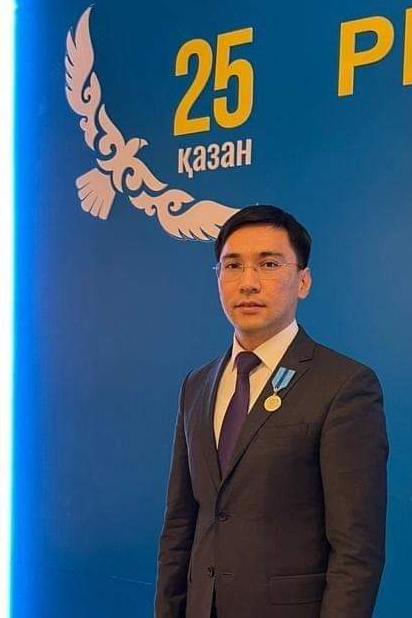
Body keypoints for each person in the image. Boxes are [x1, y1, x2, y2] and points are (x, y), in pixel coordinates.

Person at [155, 205, 388, 618]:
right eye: (233, 266)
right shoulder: (197, 384)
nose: (248, 282)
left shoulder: (344, 385)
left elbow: (356, 550)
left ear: (303, 281)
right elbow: (180, 524)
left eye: (268, 264)